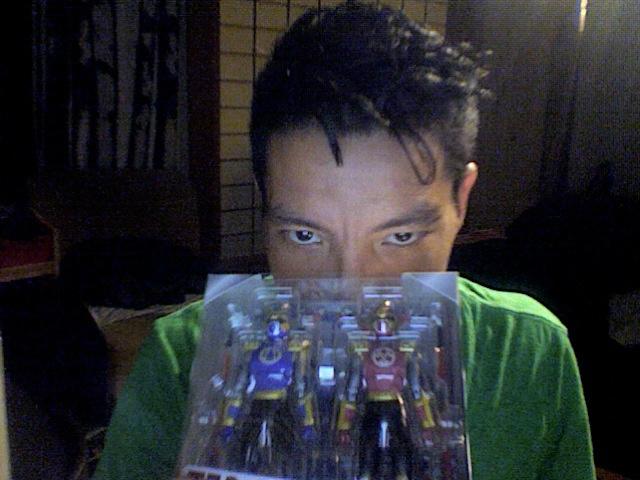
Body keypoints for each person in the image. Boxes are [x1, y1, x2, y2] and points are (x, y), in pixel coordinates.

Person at [92, 3, 596, 479]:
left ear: (461, 201)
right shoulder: (182, 358)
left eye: (400, 235)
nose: (352, 293)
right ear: (265, 205)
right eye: (305, 235)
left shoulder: (528, 352)